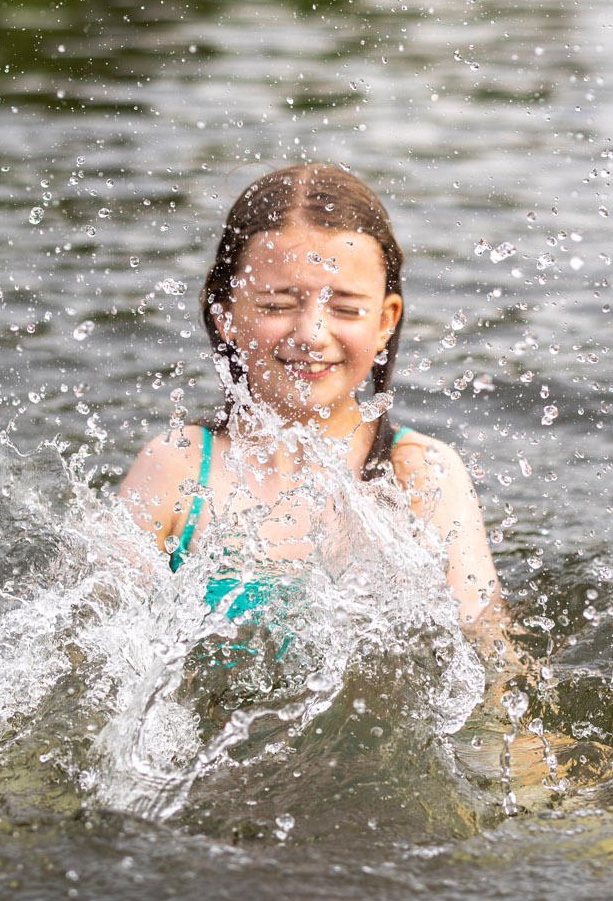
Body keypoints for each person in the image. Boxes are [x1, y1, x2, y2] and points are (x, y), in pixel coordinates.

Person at [118, 163, 504, 643]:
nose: (311, 335)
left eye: (345, 308)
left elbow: (491, 663)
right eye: (277, 305)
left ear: (386, 321)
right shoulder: (177, 468)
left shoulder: (423, 477)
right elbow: (83, 652)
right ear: (226, 318)